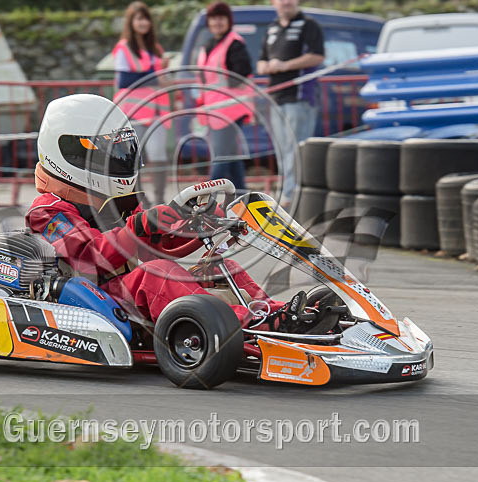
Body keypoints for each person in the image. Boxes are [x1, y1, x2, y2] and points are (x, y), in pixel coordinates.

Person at [25, 94, 332, 332]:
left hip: (128, 290)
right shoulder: (48, 209)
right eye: (107, 152)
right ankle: (252, 325)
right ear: (70, 154)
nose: (118, 159)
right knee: (157, 274)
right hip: (93, 298)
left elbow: (154, 247)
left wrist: (198, 226)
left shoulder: (114, 200)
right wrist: (140, 226)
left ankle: (282, 315)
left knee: (223, 267)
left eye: (121, 151)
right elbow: (89, 257)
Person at [257, 0, 324, 208]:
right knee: (282, 150)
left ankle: (291, 197)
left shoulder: (309, 25)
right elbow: (260, 62)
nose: (286, 2)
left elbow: (317, 56)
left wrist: (285, 65)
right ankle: (288, 193)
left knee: (296, 150)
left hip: (300, 97)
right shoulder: (272, 28)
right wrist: (266, 67)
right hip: (276, 98)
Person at [112, 1, 170, 204]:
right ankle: (139, 200)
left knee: (158, 154)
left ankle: (160, 199)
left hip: (157, 111)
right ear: (131, 22)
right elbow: (124, 80)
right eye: (139, 19)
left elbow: (161, 78)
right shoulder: (124, 48)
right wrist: (155, 76)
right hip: (133, 111)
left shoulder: (156, 49)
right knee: (134, 156)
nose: (143, 22)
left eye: (146, 18)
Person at [196, 2, 253, 191]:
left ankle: (206, 199)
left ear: (229, 21)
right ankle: (243, 197)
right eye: (213, 18)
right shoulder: (209, 45)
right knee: (232, 157)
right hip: (216, 111)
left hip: (231, 110)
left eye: (221, 18)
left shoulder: (234, 43)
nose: (217, 22)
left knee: (220, 157)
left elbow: (242, 74)